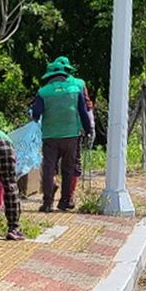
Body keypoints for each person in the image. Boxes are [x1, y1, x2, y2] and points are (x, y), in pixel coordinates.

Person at [31, 61, 93, 212]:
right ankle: (65, 201)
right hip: (71, 136)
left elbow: (36, 114)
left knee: (49, 168)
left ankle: (47, 203)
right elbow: (83, 112)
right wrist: (88, 129)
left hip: (50, 136)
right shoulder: (74, 89)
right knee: (68, 169)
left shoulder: (43, 92)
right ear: (65, 74)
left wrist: (36, 113)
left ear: (50, 76)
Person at [50, 56, 95, 198]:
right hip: (73, 129)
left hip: (52, 129)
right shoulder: (79, 84)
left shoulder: (50, 85)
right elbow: (87, 106)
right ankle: (69, 195)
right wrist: (90, 127)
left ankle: (52, 181)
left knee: (51, 159)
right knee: (74, 161)